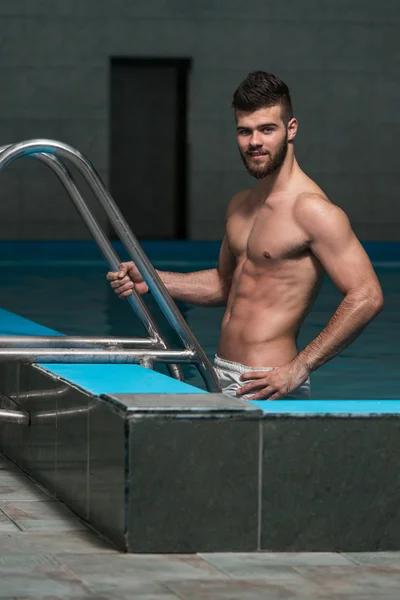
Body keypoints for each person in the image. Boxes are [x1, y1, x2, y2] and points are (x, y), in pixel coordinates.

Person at [106, 71, 383, 401]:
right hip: (220, 371)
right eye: (245, 131)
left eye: (267, 129)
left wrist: (300, 367)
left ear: (290, 129)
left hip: (270, 382)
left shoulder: (312, 211)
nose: (255, 142)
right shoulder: (240, 205)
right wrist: (152, 280)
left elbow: (367, 295)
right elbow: (225, 284)